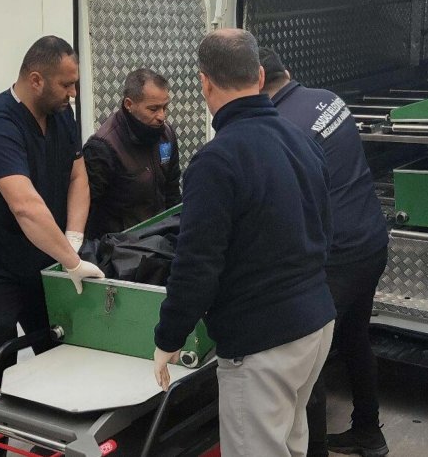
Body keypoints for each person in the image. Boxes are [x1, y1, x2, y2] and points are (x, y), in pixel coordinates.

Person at [153, 29, 336, 457]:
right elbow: (325, 230)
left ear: (205, 83)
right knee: (291, 442)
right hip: (315, 326)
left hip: (261, 345)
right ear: (259, 76)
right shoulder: (302, 142)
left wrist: (169, 338)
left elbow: (196, 265)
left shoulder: (215, 161)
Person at [0, 35, 104, 457]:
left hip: (40, 255)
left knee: (60, 351)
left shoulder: (62, 115)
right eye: (66, 84)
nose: (73, 93)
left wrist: (73, 241)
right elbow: (25, 206)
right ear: (36, 80)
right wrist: (71, 261)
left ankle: (52, 446)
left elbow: (78, 177)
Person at [259, 48, 391, 457]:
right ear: (287, 72)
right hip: (371, 241)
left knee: (306, 363)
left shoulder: (283, 126)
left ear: (257, 81)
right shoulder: (327, 99)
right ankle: (368, 431)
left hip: (337, 257)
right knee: (354, 338)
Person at [82, 67, 181, 238]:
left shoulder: (167, 135)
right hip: (122, 246)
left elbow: (172, 193)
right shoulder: (103, 147)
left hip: (161, 238)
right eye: (153, 109)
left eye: (165, 107)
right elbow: (87, 211)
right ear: (129, 104)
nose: (162, 116)